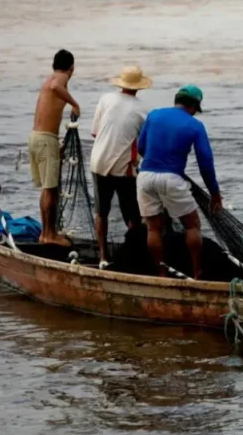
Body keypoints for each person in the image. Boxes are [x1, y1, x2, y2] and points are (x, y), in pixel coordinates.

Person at [136, 85, 223, 278]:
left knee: (153, 228)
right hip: (172, 178)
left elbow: (141, 147)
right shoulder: (195, 125)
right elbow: (205, 163)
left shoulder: (154, 115)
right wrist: (214, 193)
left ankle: (161, 273)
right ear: (193, 106)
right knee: (192, 225)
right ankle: (196, 272)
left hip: (145, 175)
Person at [90, 65, 152, 267]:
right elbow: (143, 144)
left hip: (98, 161)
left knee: (101, 212)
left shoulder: (105, 99)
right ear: (139, 87)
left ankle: (102, 256)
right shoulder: (142, 110)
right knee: (132, 215)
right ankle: (134, 256)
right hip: (123, 168)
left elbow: (96, 133)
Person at [28, 49, 80, 246]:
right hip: (44, 140)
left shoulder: (48, 79)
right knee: (51, 189)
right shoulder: (59, 79)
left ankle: (46, 233)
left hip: (36, 137)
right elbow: (56, 86)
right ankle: (50, 235)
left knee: (47, 189)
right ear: (71, 68)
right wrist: (74, 104)